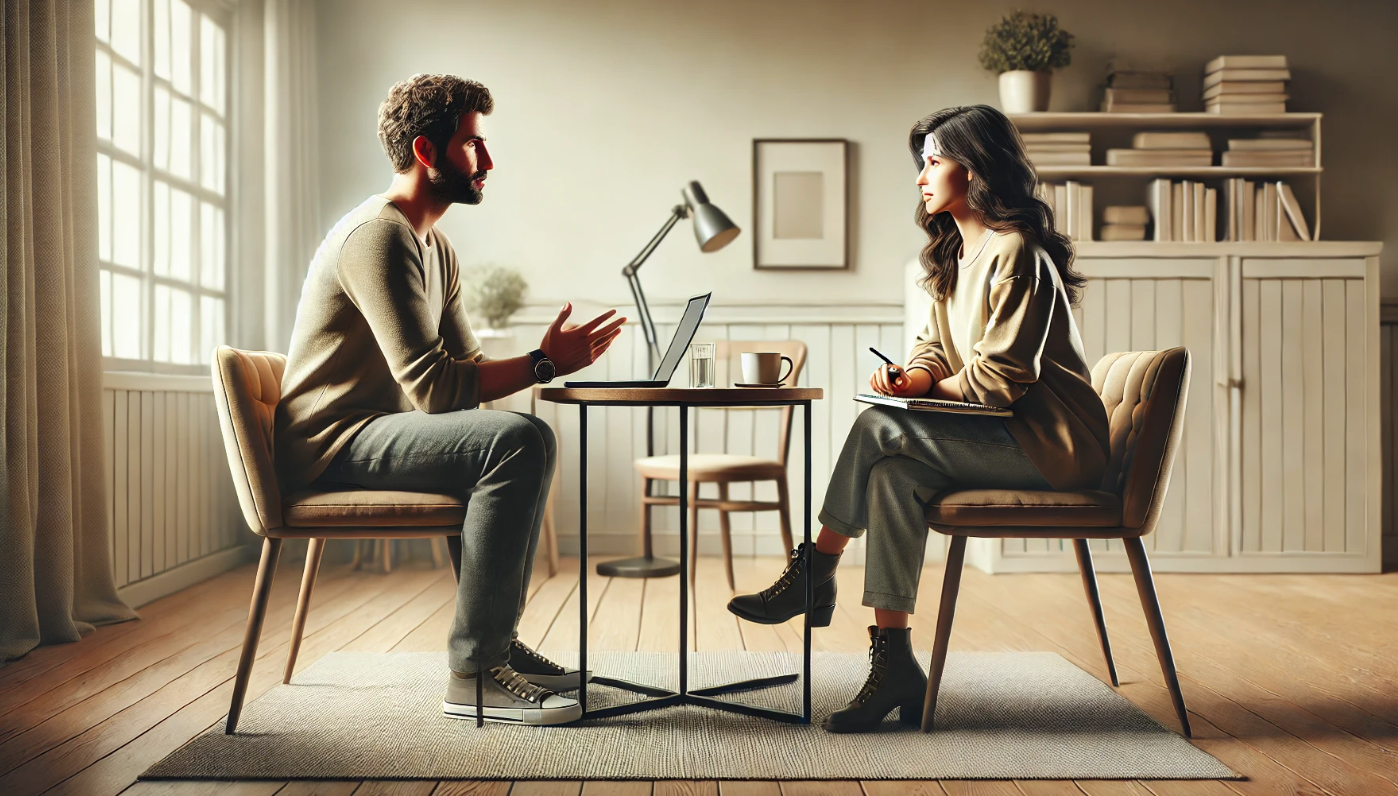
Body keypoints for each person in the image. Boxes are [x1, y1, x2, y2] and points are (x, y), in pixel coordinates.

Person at [727, 105, 1111, 733]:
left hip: (1053, 447)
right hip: (1002, 435)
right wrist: (913, 379)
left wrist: (913, 398)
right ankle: (895, 665)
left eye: (934, 161)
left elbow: (999, 381)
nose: (920, 177)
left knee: (880, 427)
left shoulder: (1016, 252)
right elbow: (935, 349)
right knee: (890, 478)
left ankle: (816, 570)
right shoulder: (953, 254)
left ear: (976, 168)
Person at [274, 74, 625, 726]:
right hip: (332, 442)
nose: (487, 161)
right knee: (520, 438)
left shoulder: (437, 247)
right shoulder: (377, 237)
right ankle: (474, 673)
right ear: (426, 151)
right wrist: (546, 363)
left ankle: (496, 647)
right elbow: (435, 390)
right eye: (472, 145)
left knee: (514, 438)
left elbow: (465, 370)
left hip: (376, 429)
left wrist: (540, 362)